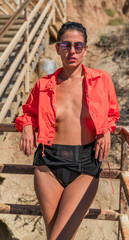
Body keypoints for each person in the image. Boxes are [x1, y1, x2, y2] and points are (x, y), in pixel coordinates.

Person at [15, 21, 120, 240]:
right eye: (66, 45)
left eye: (78, 46)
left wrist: (105, 130)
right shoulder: (43, 85)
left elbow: (112, 113)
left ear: (85, 48)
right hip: (48, 164)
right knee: (55, 234)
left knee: (59, 237)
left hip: (85, 165)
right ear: (58, 48)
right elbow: (28, 113)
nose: (72, 51)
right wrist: (26, 126)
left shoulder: (101, 80)